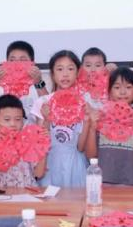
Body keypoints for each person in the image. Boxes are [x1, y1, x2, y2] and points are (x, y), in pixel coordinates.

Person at [85, 67, 133, 186]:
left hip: (131, 186)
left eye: (128, 87)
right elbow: (91, 156)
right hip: (102, 186)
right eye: (117, 87)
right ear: (109, 91)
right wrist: (92, 129)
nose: (123, 92)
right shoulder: (99, 119)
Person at [30, 51, 89, 187]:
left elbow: (81, 147)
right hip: (49, 163)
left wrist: (87, 120)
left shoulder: (83, 103)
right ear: (52, 74)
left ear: (77, 73)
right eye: (60, 69)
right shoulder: (43, 102)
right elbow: (39, 143)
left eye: (70, 69)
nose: (65, 74)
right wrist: (47, 119)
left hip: (74, 165)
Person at [0, 94, 46, 188]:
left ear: (23, 121)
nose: (13, 124)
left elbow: (38, 173)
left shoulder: (29, 142)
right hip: (3, 194)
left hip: (27, 193)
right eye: (7, 119)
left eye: (18, 119)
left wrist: (43, 145)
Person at [0, 40, 47, 119]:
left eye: (23, 60)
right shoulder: (0, 84)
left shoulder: (37, 82)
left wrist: (39, 82)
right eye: (12, 60)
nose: (17, 64)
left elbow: (50, 110)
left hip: (32, 126)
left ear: (32, 63)